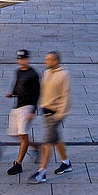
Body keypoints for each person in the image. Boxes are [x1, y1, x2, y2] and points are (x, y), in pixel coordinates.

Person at [31, 50, 71, 184]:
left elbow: (66, 96)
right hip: (46, 112)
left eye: (48, 59)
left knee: (47, 143)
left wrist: (60, 114)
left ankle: (41, 172)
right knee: (56, 139)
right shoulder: (47, 72)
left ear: (56, 61)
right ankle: (66, 163)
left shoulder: (64, 74)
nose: (45, 61)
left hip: (56, 114)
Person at [6, 49, 40, 176]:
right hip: (18, 106)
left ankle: (18, 164)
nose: (21, 61)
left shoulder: (33, 74)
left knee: (23, 136)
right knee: (16, 134)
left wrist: (33, 110)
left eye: (23, 59)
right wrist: (12, 93)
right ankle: (37, 148)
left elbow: (37, 93)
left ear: (28, 59)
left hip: (27, 107)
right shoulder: (18, 72)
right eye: (19, 59)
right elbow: (16, 86)